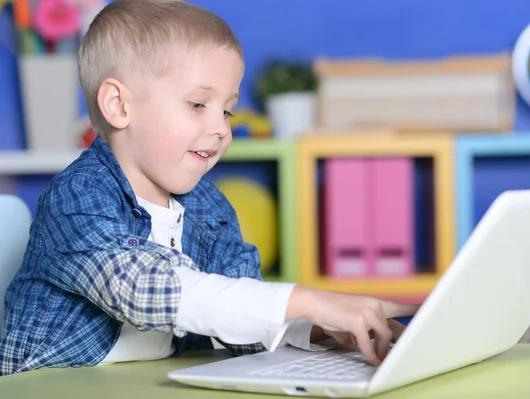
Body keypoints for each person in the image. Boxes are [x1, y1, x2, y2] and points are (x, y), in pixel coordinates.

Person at [0, 0, 419, 376]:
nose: (220, 128)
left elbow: (241, 308)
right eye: (198, 104)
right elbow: (144, 288)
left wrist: (321, 328)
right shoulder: (76, 199)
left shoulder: (209, 209)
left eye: (228, 111)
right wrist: (308, 300)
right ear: (119, 106)